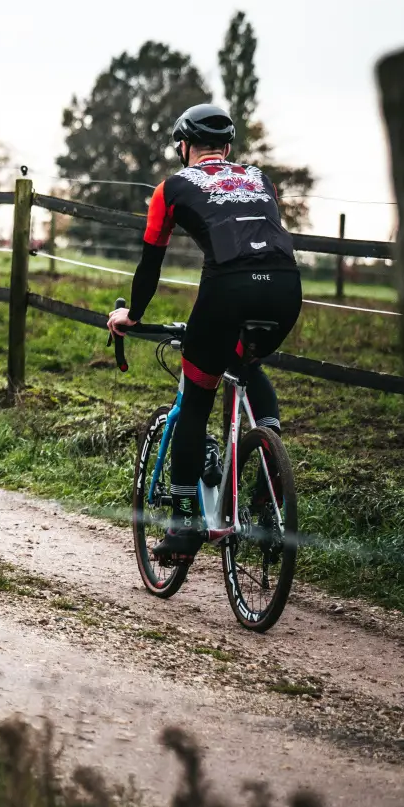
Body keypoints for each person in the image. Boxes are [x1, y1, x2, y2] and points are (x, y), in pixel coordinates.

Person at [106, 102, 303, 564]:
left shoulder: (171, 188)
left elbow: (151, 262)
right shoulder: (259, 179)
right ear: (228, 147)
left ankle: (183, 528)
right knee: (246, 364)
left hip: (227, 291)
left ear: (183, 146)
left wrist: (132, 315)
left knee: (196, 397)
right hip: (285, 289)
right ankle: (266, 489)